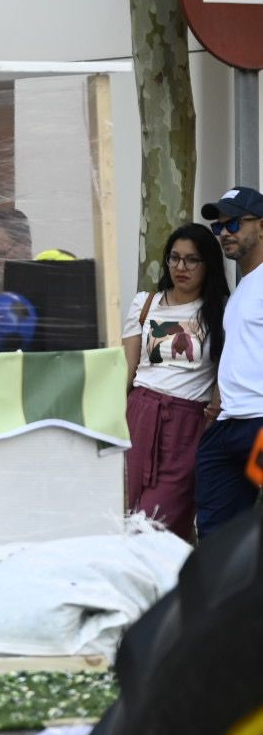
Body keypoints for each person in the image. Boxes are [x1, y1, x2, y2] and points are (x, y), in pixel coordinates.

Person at [123, 224, 227, 541]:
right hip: (138, 416)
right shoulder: (144, 303)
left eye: (192, 260)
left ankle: (173, 584)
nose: (181, 267)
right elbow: (126, 370)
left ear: (208, 264)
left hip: (187, 423)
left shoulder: (221, 310)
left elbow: (225, 373)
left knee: (157, 523)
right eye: (174, 258)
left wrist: (212, 416)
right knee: (125, 514)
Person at [195, 186, 263, 535]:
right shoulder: (244, 289)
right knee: (218, 538)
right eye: (218, 227)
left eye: (234, 224)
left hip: (258, 427)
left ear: (261, 226)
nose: (223, 234)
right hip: (226, 427)